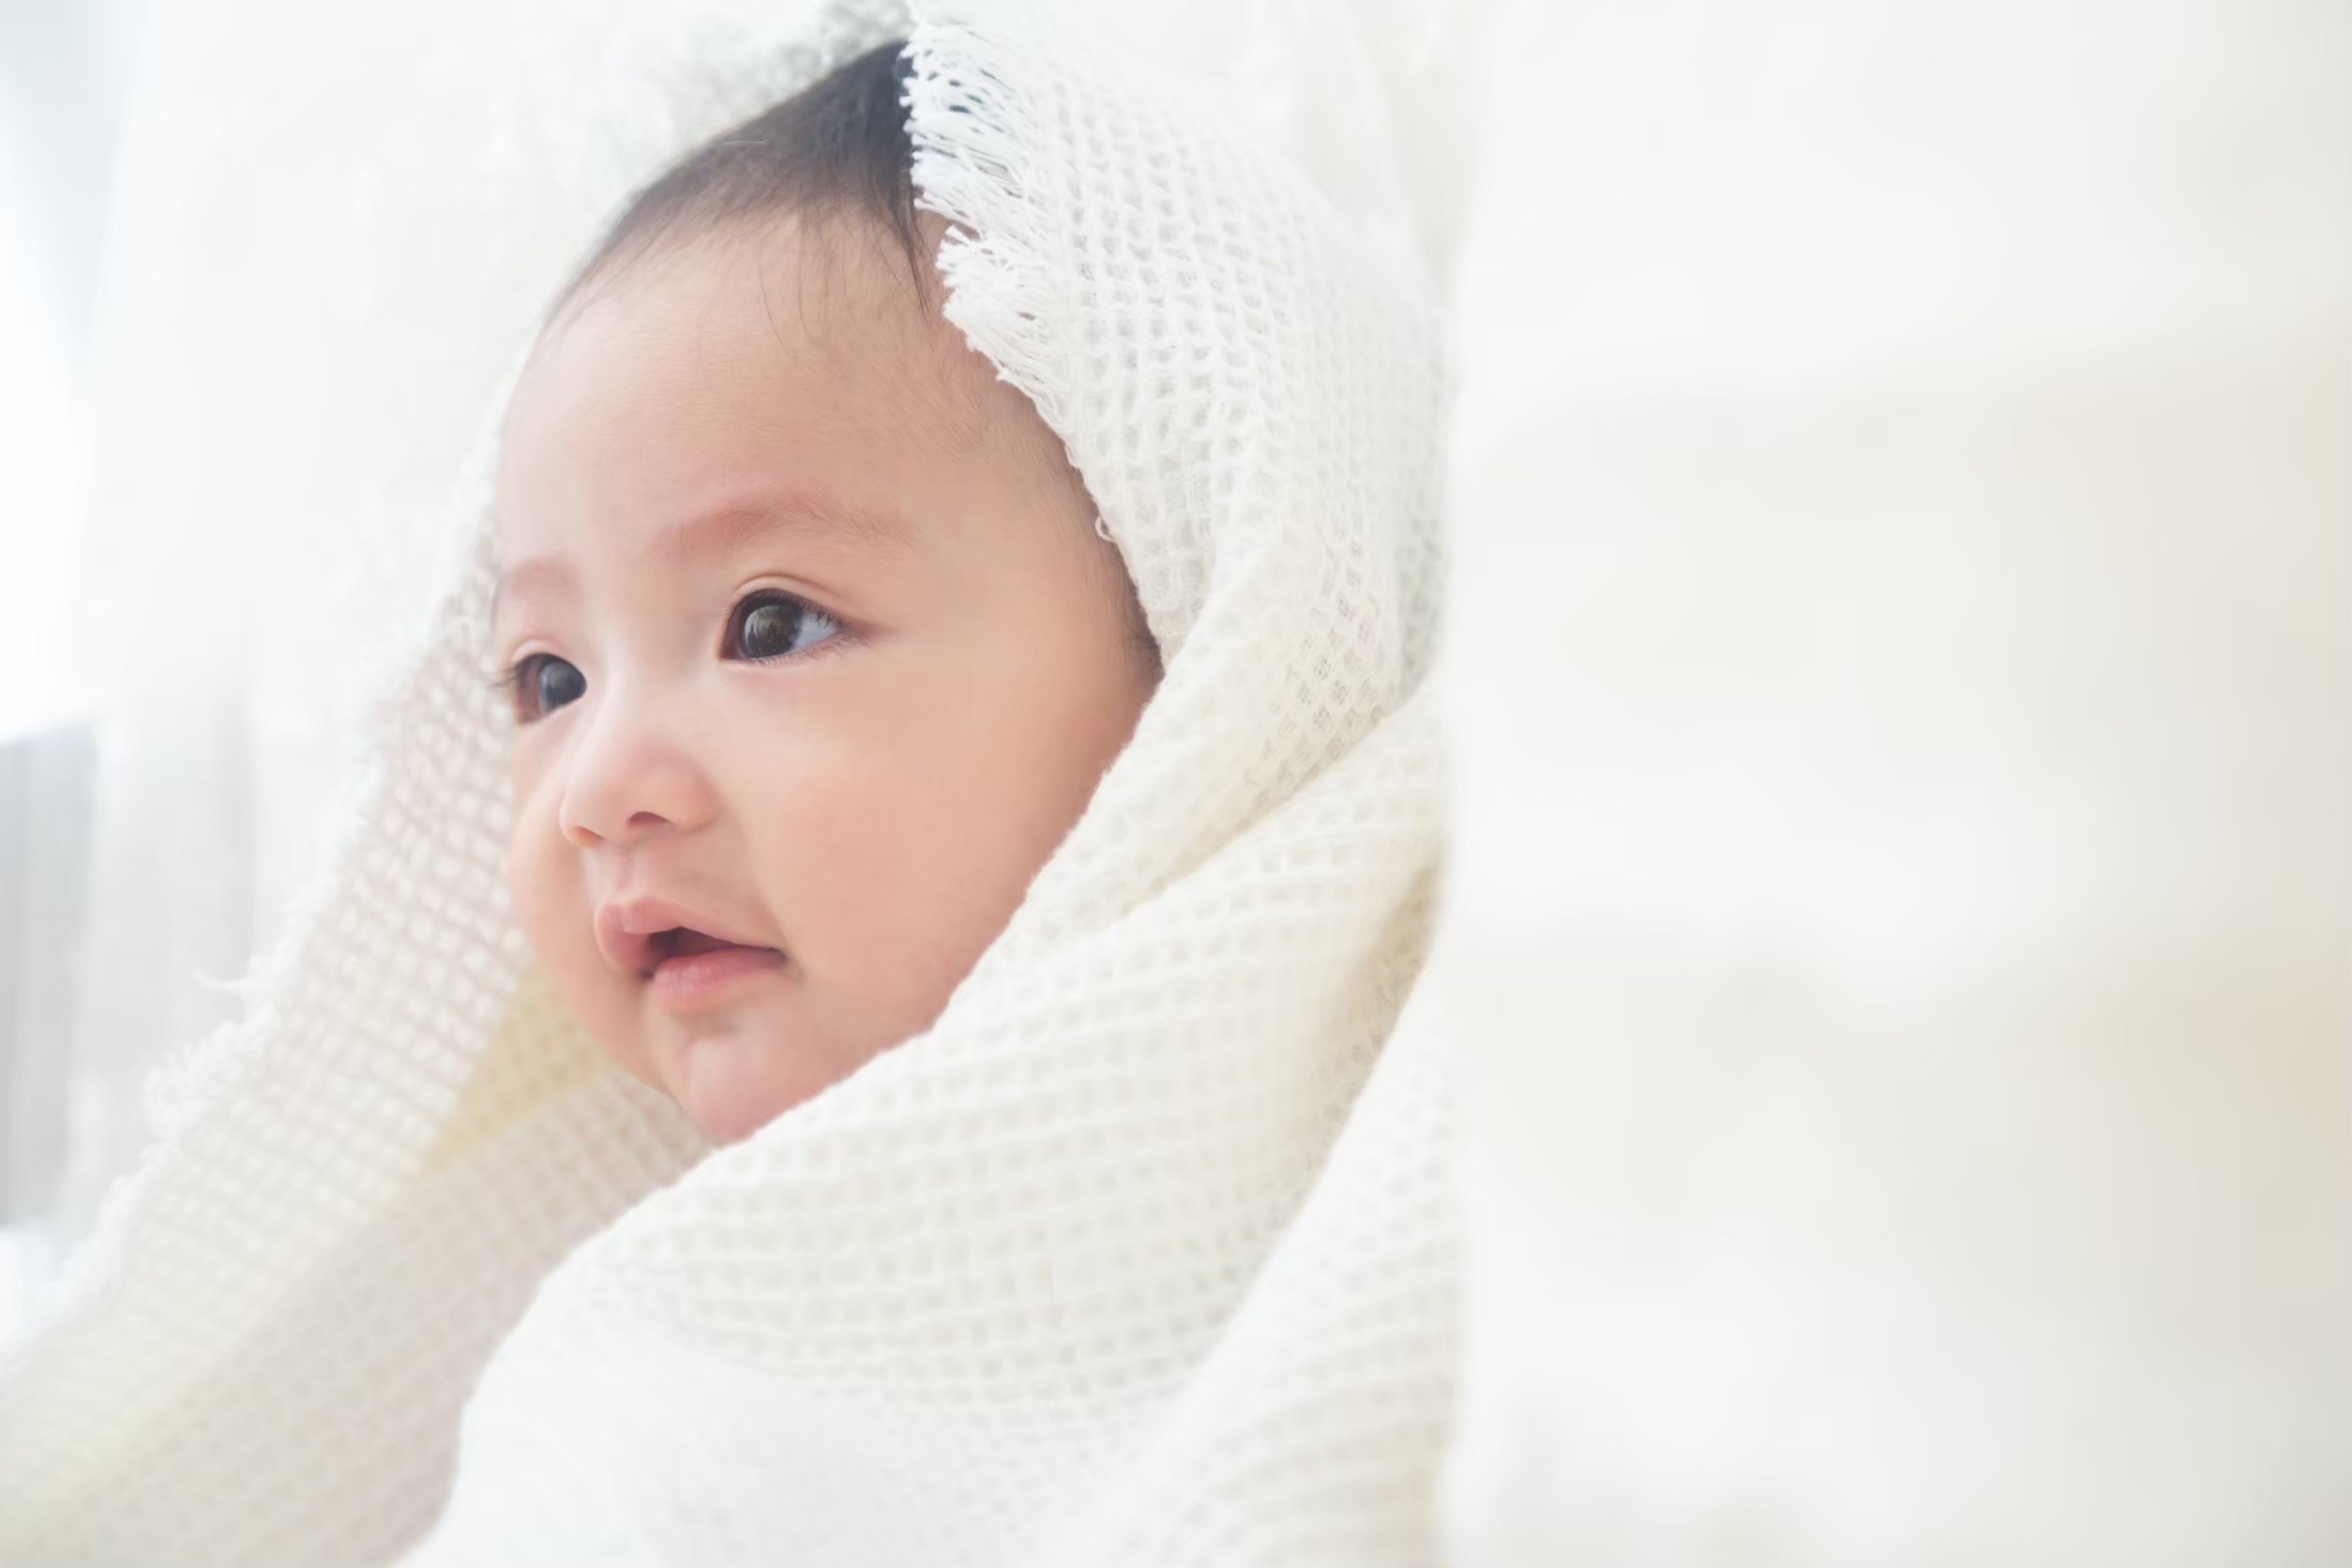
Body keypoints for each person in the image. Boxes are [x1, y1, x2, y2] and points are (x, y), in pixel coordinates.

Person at [0, 4, 1455, 1562]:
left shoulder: (1444, 1193)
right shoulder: (571, 1306)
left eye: (770, 625)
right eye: (546, 680)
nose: (594, 788)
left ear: (1204, 643)